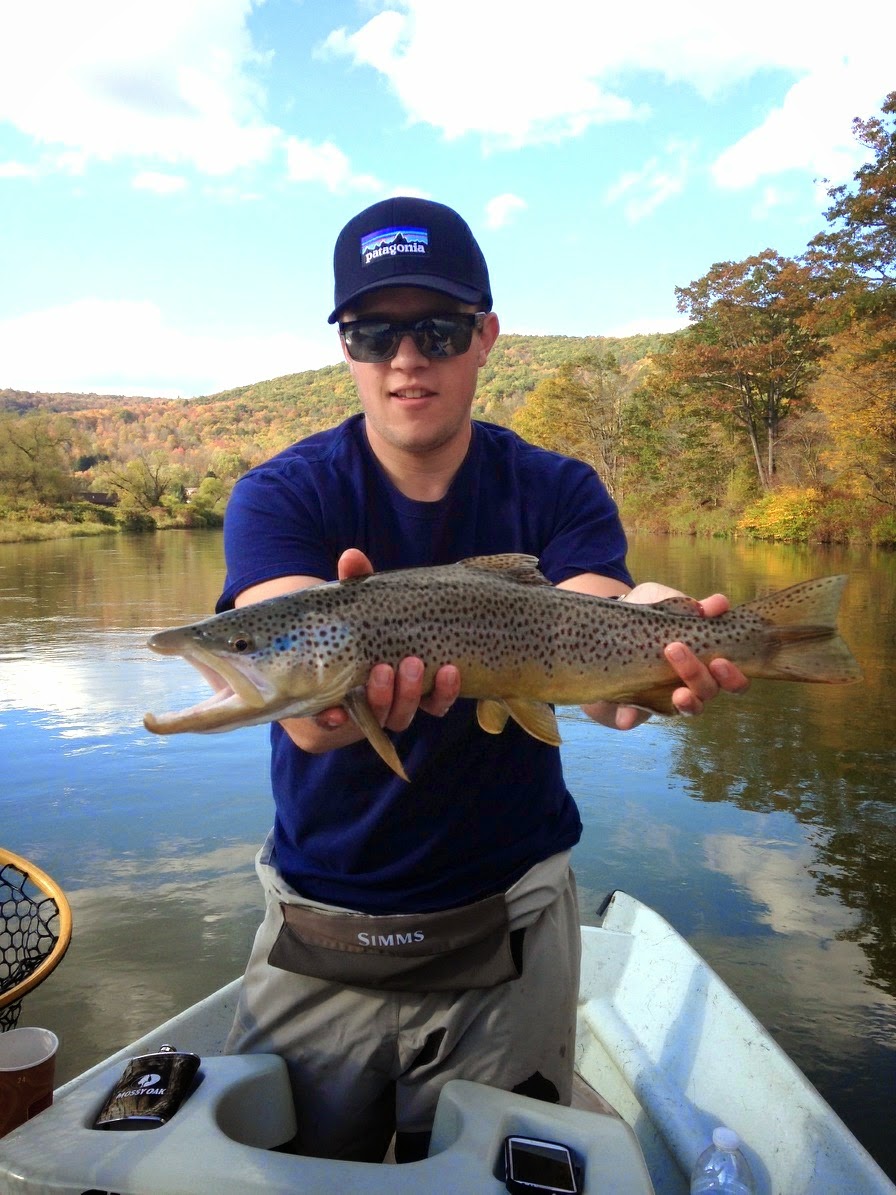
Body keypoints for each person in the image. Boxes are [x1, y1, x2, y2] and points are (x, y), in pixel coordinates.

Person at [217, 196, 749, 1163]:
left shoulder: (557, 487)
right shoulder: (283, 492)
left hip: (511, 920)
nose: (405, 356)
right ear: (344, 344)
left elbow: (592, 643)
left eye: (438, 328)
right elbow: (305, 708)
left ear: (485, 336)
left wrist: (650, 636)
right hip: (323, 922)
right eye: (374, 330)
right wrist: (340, 678)